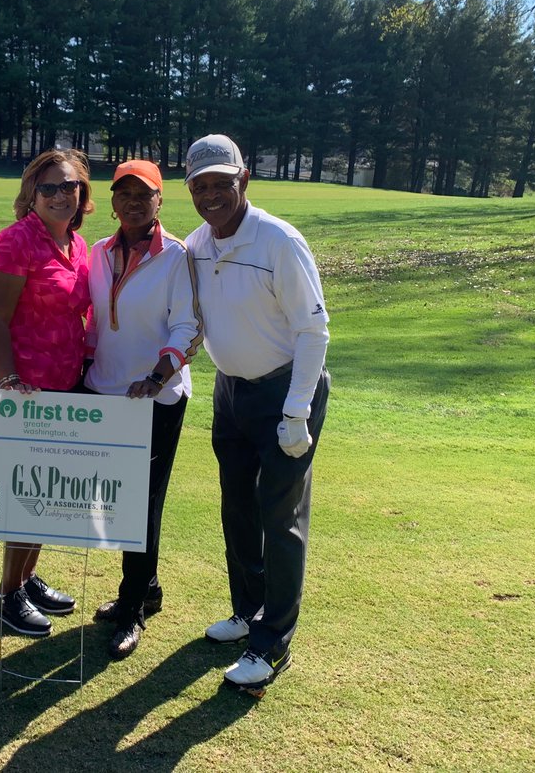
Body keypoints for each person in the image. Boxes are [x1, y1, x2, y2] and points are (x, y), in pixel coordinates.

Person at [183, 134, 331, 696]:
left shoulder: (278, 240)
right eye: (203, 186)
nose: (214, 194)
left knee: (281, 516)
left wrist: (296, 411)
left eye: (224, 182)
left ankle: (273, 642)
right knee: (237, 508)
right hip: (231, 391)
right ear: (190, 190)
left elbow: (312, 329)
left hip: (285, 392)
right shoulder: (197, 243)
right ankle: (247, 610)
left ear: (244, 179)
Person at [83, 159, 202, 660]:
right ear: (112, 201)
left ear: (159, 201)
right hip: (102, 394)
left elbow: (186, 328)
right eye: (123, 194)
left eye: (143, 194)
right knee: (110, 502)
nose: (133, 202)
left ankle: (132, 607)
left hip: (155, 399)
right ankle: (146, 587)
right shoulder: (96, 251)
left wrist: (157, 377)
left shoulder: (176, 256)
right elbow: (89, 321)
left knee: (142, 506)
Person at [0, 147, 94, 636]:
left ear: (82, 192)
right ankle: (7, 595)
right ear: (31, 194)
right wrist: (7, 381)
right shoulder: (15, 242)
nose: (59, 195)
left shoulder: (78, 244)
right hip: (19, 389)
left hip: (64, 387)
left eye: (69, 185)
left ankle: (25, 578)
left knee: (48, 493)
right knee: (27, 495)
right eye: (48, 187)